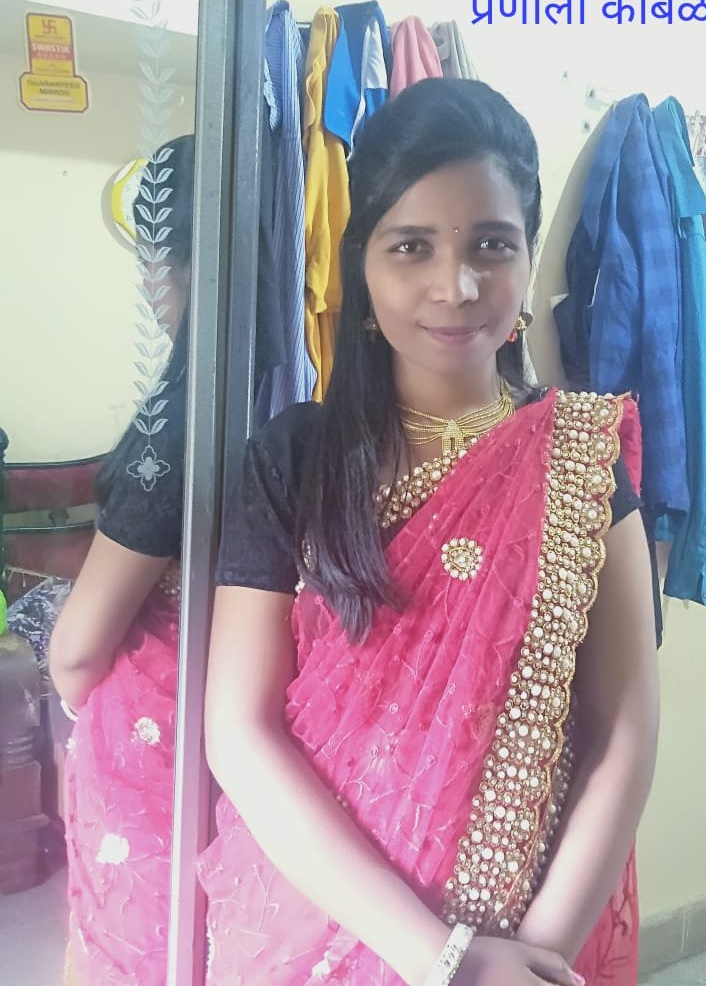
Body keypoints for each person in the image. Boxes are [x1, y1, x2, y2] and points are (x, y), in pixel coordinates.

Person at [198, 78, 659, 986]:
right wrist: (443, 960)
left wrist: (530, 962)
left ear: (529, 258)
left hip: (532, 929)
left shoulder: (581, 455)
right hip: (315, 925)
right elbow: (240, 729)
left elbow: (624, 729)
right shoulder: (296, 458)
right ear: (363, 268)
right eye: (412, 246)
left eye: (492, 244)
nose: (457, 285)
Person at [49, 135, 195, 986]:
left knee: (143, 946)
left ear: (170, 266)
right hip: (245, 722)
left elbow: (77, 650)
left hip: (156, 738)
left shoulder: (175, 426)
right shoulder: (301, 387)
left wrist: (79, 700)